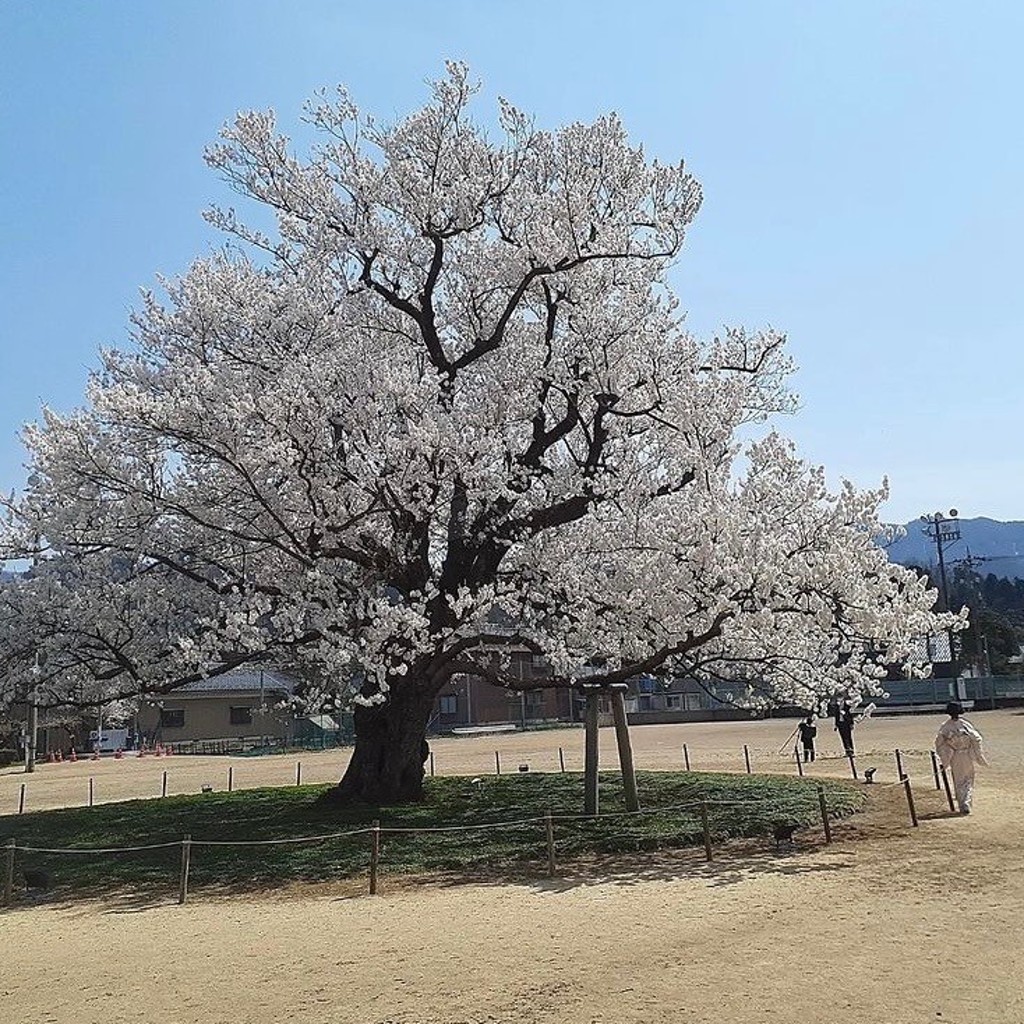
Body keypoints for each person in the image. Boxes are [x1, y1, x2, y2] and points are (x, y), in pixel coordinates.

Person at [935, 702, 988, 814]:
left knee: (960, 780)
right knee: (967, 779)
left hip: (956, 756)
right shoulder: (964, 724)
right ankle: (966, 802)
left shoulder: (945, 726)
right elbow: (977, 738)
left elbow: (939, 744)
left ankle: (963, 803)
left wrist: (946, 754)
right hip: (964, 755)